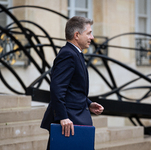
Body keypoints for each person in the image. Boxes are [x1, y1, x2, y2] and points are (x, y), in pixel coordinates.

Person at [40, 16, 104, 150]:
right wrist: (63, 117)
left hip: (77, 117)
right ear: (76, 35)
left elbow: (72, 89)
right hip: (69, 121)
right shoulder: (68, 54)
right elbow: (57, 88)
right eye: (89, 33)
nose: (92, 37)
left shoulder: (76, 53)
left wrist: (88, 103)